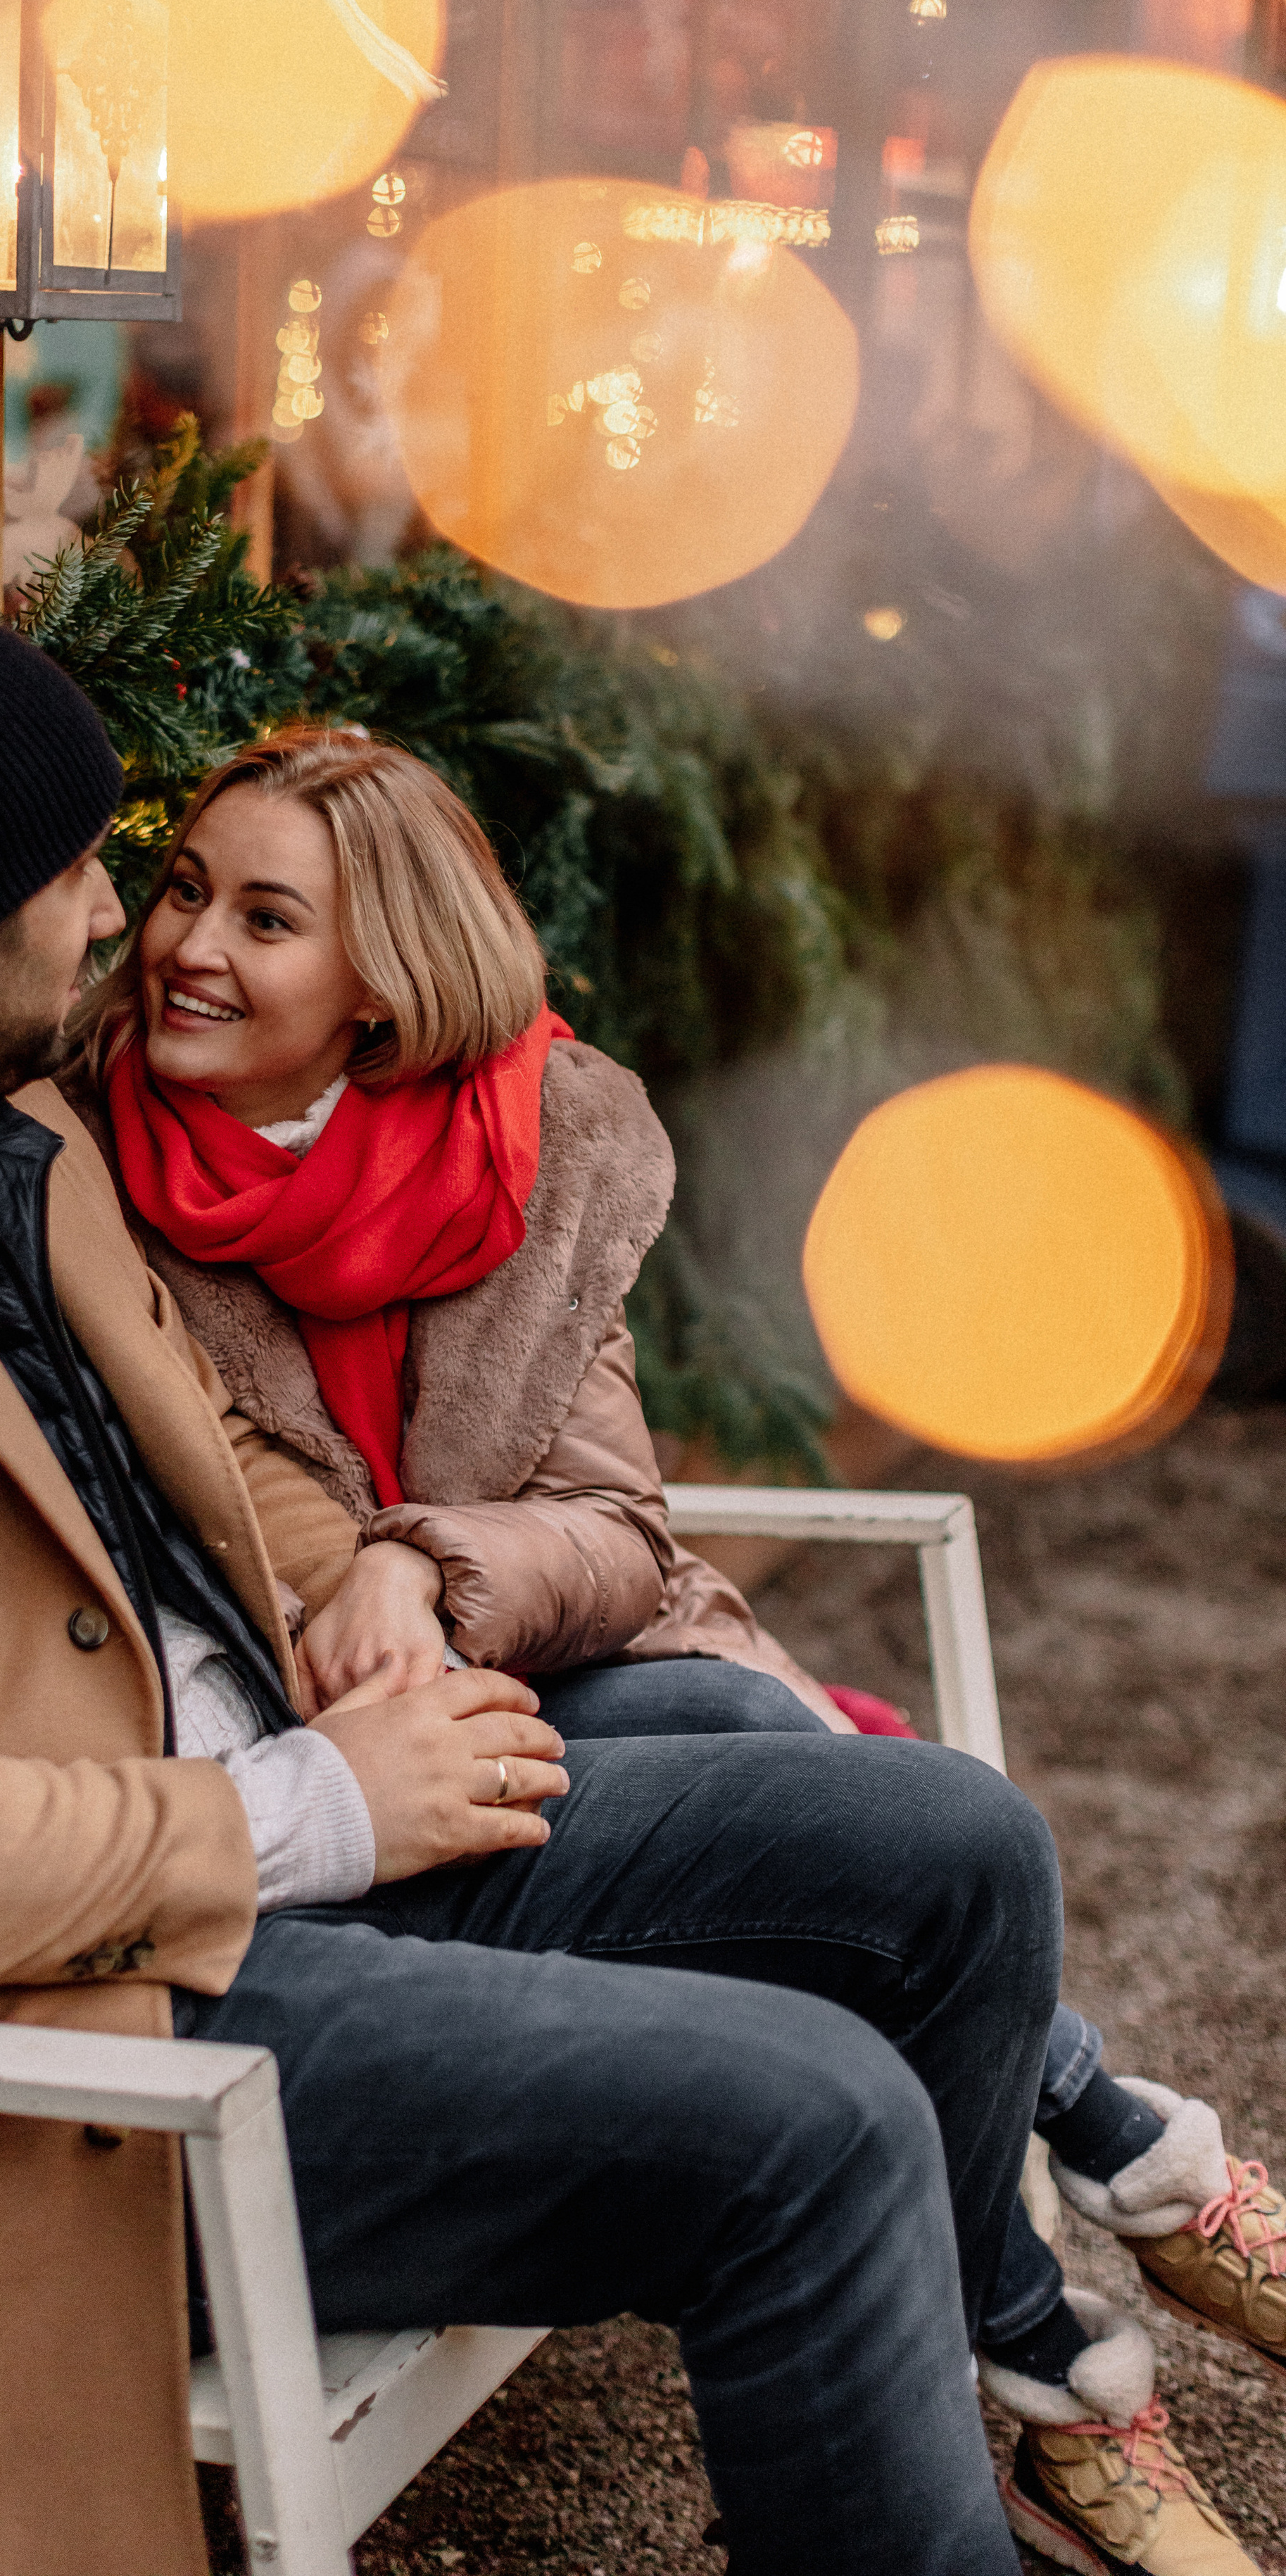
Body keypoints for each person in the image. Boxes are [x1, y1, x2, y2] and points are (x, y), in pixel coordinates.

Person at [0, 595, 1057, 2576]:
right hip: (45, 2032)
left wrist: (379, 1590)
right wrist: (318, 1808)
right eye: (83, 867)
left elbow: (215, 1472)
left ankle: (1026, 2390)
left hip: (266, 1830)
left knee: (949, 1848)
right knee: (810, 2122)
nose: (122, 919)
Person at [78, 721, 1285, 2576]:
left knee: (763, 1725)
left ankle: (1051, 2301)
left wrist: (422, 1567)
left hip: (559, 1656)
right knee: (802, 1792)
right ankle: (1075, 2247)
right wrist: (370, 1592)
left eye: (265, 915)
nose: (188, 948)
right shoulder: (89, 1172)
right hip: (347, 1731)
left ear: (384, 985)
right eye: (181, 891)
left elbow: (618, 1530)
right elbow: (247, 1522)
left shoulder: (542, 1144)